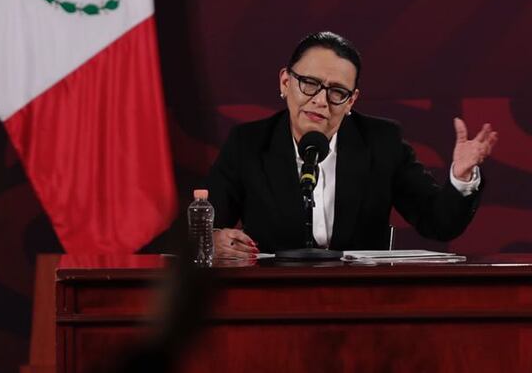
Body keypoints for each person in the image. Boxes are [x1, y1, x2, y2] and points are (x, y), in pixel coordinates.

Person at [206, 31, 497, 260]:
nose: (320, 101)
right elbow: (197, 227)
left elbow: (438, 223)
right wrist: (211, 240)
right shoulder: (249, 144)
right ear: (285, 82)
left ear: (352, 101)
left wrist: (461, 178)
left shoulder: (382, 142)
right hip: (270, 303)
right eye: (309, 83)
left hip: (361, 304)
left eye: (337, 92)